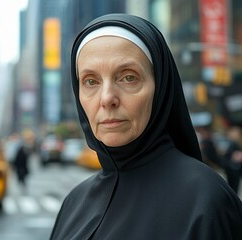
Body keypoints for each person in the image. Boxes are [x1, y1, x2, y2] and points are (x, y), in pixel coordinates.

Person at [50, 13, 242, 239]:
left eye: (128, 78)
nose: (107, 98)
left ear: (160, 88)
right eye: (91, 81)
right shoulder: (74, 203)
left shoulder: (207, 201)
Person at [223, 124, 242, 194]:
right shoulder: (231, 143)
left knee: (234, 187)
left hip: (235, 169)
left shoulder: (236, 143)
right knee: (233, 187)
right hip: (231, 168)